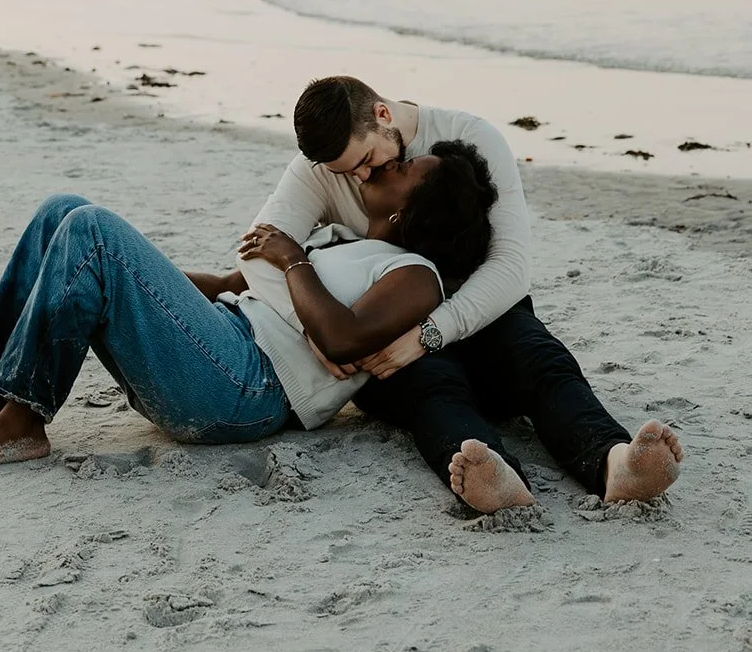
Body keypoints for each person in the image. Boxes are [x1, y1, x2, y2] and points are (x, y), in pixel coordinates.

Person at [246, 75, 683, 513]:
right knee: (432, 392)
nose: (360, 176)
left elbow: (510, 266)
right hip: (383, 330)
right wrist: (312, 329)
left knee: (540, 361)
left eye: (366, 160)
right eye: (347, 171)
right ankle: (496, 476)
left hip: (473, 314)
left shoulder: (470, 136)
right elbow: (257, 253)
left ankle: (615, 463)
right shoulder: (323, 168)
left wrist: (428, 334)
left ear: (383, 116)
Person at [0, 143, 495, 472]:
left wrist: (293, 259)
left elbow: (345, 340)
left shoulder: (416, 275)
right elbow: (224, 283)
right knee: (65, 211)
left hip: (249, 388)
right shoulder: (341, 239)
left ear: (409, 214)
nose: (387, 165)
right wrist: (128, 274)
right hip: (220, 338)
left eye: (402, 171)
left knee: (91, 229)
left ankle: (24, 423)